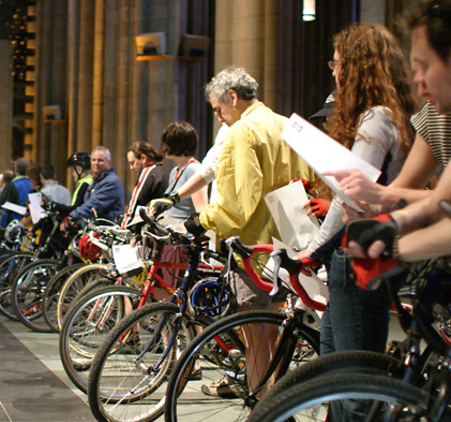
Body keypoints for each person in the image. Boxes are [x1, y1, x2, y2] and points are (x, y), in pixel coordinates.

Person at [182, 66, 314, 397]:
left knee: (255, 336)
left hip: (254, 250)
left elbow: (238, 203)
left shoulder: (243, 132)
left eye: (219, 109)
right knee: (276, 332)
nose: (220, 118)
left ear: (233, 97)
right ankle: (277, 400)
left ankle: (261, 407)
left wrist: (202, 221)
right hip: (290, 245)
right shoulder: (287, 125)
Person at [296, 25, 417, 367]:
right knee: (336, 368)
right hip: (365, 245)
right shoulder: (390, 114)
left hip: (358, 248)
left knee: (352, 373)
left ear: (356, 67)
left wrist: (314, 249)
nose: (333, 72)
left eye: (337, 64)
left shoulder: (376, 118)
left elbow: (351, 195)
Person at [344, 0, 451, 264]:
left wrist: (391, 249)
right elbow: (439, 201)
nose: (418, 80)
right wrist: (383, 220)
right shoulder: (438, 113)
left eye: (424, 66)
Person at [64, 146, 124, 225]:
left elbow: (93, 204)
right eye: (93, 160)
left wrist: (72, 217)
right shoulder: (96, 182)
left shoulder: (111, 182)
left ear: (109, 162)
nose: (96, 163)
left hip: (108, 230)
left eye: (100, 160)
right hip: (96, 229)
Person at [121, 142, 167, 229]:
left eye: (132, 163)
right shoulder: (160, 171)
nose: (131, 168)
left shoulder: (148, 172)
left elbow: (135, 204)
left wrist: (123, 227)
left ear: (143, 158)